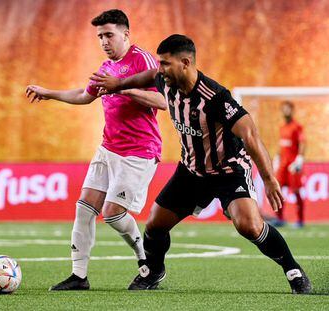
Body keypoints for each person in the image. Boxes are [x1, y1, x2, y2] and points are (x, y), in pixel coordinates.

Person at [91, 34, 312, 294]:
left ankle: (292, 269)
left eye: (165, 63)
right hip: (192, 171)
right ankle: (154, 271)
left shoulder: (216, 98)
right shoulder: (164, 80)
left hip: (228, 170)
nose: (160, 69)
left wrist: (268, 178)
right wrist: (118, 84)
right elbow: (149, 76)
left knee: (249, 226)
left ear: (185, 63)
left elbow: (250, 135)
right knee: (154, 225)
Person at [25, 9, 163, 290]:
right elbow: (84, 95)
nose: (104, 41)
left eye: (109, 35)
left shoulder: (143, 60)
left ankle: (148, 264)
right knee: (84, 208)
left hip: (139, 151)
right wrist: (48, 93)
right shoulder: (105, 68)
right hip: (108, 148)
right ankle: (79, 276)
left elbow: (162, 100)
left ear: (126, 34)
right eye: (100, 36)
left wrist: (122, 88)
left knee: (112, 213)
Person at [273, 101, 306, 228]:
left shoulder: (297, 126)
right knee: (278, 189)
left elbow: (303, 143)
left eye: (288, 109)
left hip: (293, 164)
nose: (286, 111)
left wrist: (299, 159)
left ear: (292, 110)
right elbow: (280, 145)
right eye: (284, 109)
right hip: (283, 164)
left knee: (296, 190)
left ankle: (300, 220)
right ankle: (280, 218)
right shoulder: (282, 127)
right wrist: (276, 158)